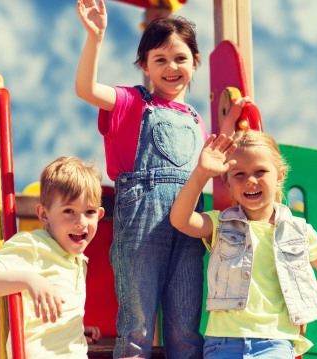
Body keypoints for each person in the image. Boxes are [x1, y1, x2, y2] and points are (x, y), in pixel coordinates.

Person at [75, 1, 243, 358]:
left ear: (195, 62)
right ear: (145, 66)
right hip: (141, 229)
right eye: (160, 59)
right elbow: (86, 89)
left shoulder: (198, 121)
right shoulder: (132, 103)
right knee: (137, 326)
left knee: (185, 329)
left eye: (180, 58)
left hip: (188, 233)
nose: (171, 67)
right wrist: (95, 38)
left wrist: (235, 121)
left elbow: (218, 158)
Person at [170, 130, 317, 358]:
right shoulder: (221, 224)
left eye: (260, 171)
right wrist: (201, 174)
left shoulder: (299, 231)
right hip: (223, 341)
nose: (250, 180)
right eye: (239, 174)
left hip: (276, 341)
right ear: (227, 182)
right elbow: (181, 219)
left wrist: (303, 307)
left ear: (279, 175)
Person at [0, 156, 105, 358]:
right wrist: (29, 279)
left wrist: (75, 328)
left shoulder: (78, 260)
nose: (81, 222)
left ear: (99, 215)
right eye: (69, 211)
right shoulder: (34, 246)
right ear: (44, 214)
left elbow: (47, 319)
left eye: (89, 212)